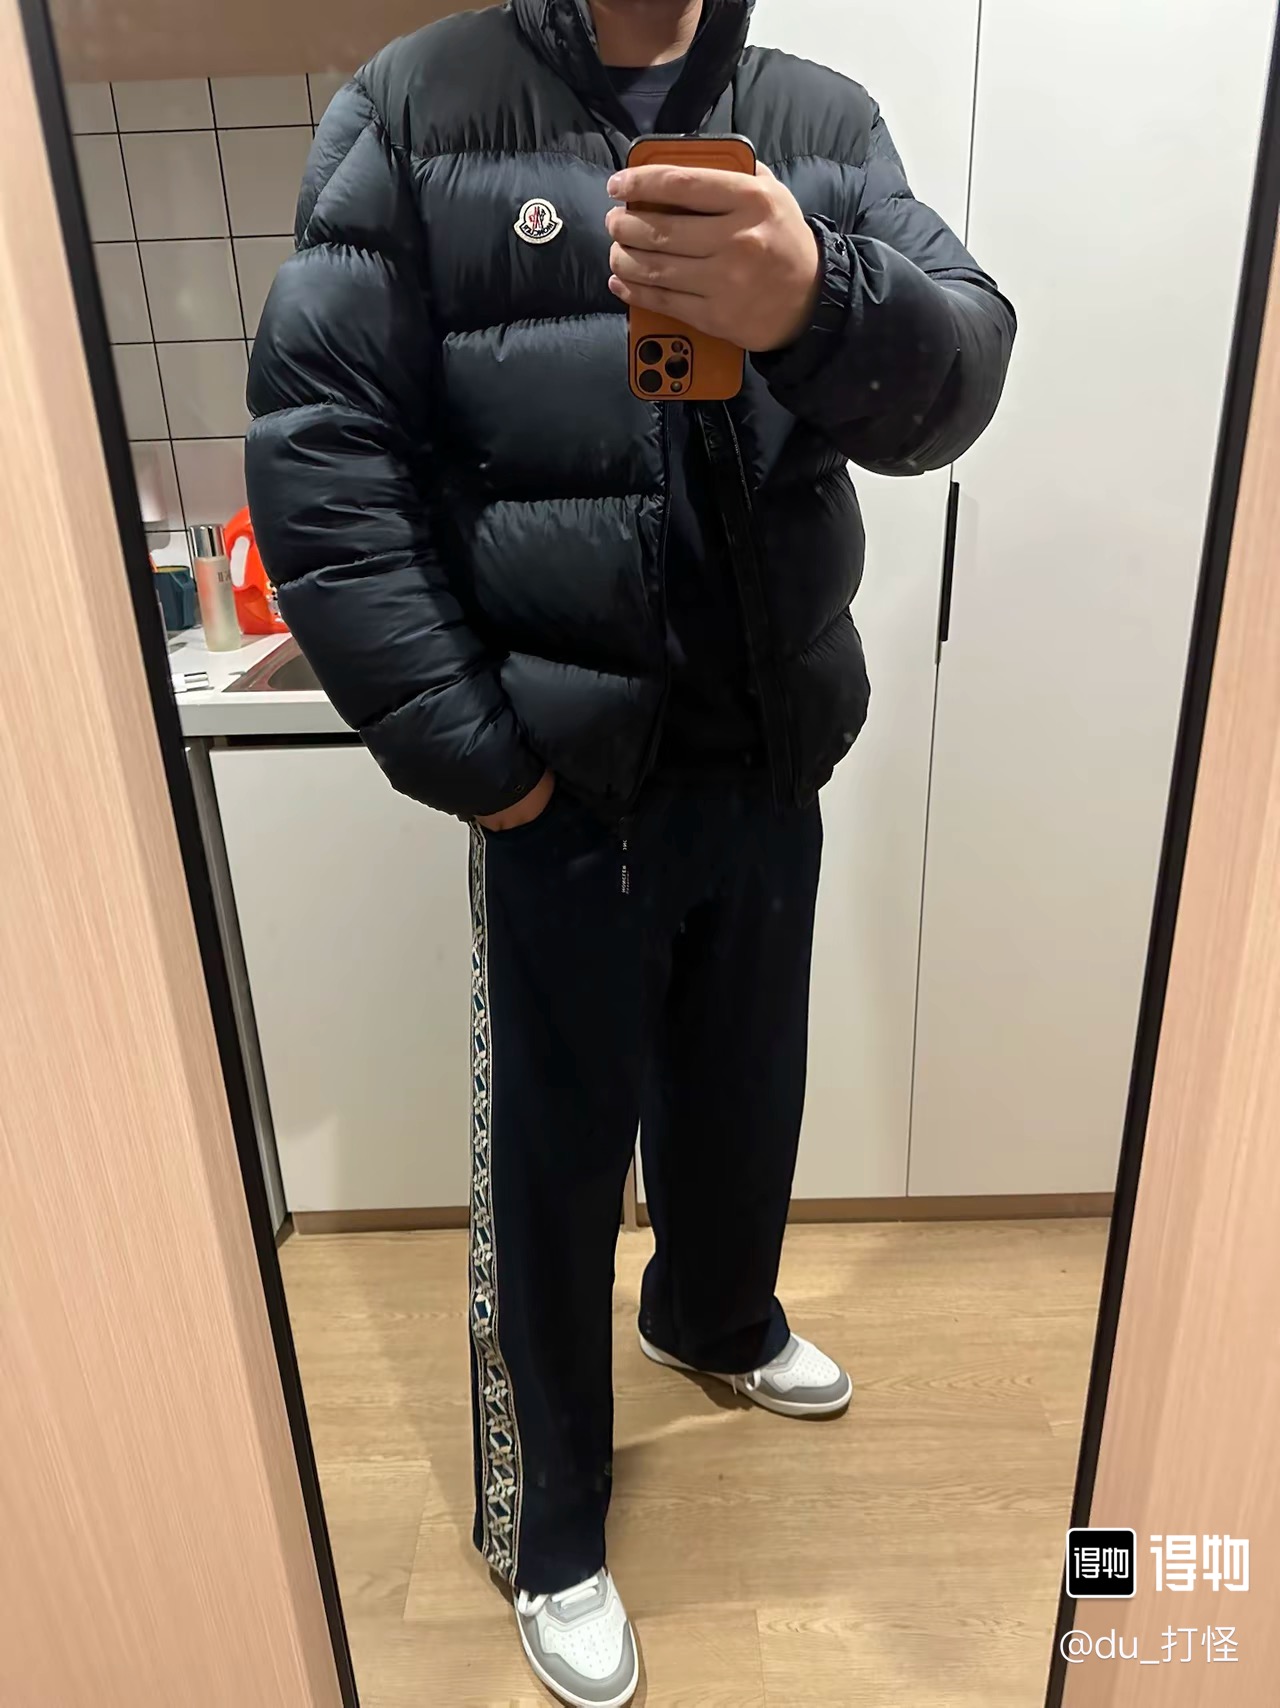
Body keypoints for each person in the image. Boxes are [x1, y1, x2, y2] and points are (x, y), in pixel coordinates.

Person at [246, 0, 1014, 1700]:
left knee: (745, 1099)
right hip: (563, 786)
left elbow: (960, 372)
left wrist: (819, 300)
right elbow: (323, 458)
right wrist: (485, 767)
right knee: (554, 1170)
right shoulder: (415, 110)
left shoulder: (818, 118)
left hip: (769, 755)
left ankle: (714, 1320)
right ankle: (550, 1524)